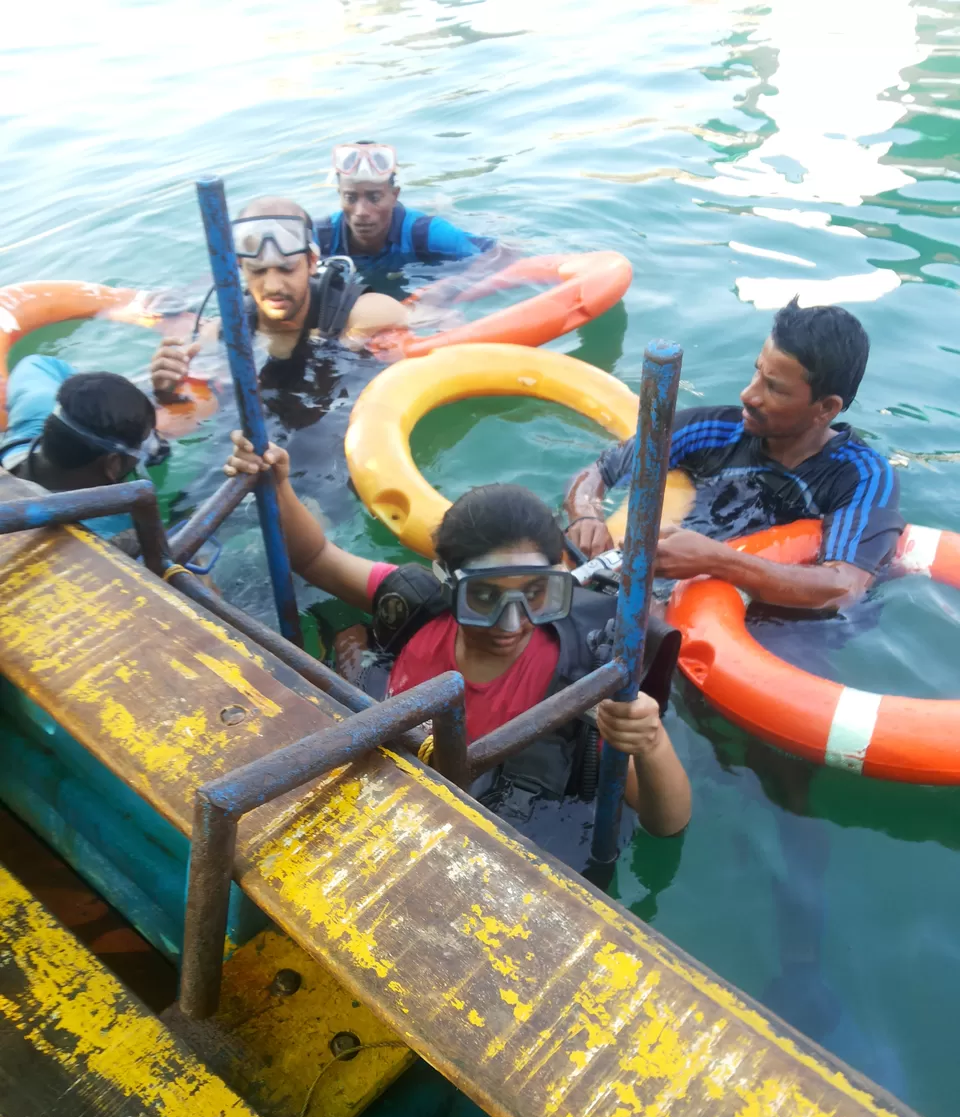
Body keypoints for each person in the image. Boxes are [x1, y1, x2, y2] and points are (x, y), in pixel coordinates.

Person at [224, 431, 691, 855]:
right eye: (485, 597)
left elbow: (666, 824)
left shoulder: (584, 679)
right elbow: (316, 557)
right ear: (448, 584)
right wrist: (278, 484)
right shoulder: (418, 605)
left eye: (535, 594)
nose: (512, 622)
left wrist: (650, 743)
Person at [565, 299, 903, 610]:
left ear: (826, 408)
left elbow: (844, 588)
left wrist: (717, 561)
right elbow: (600, 472)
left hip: (760, 622)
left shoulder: (861, 476)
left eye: (774, 387)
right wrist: (586, 515)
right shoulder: (711, 429)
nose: (748, 394)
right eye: (757, 372)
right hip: (663, 593)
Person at [149, 196, 411, 412]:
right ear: (241, 268)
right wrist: (167, 392)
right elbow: (198, 416)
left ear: (310, 262)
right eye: (258, 271)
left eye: (286, 269)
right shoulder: (223, 334)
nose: (273, 286)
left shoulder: (367, 314)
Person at [0, 355, 162, 538]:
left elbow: (38, 363)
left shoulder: (35, 406)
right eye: (145, 442)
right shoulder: (114, 534)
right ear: (113, 464)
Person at [315, 142, 496, 270]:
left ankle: (442, 206)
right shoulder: (320, 237)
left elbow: (499, 254)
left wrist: (443, 292)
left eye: (374, 197)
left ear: (394, 196)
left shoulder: (426, 233)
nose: (361, 212)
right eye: (351, 198)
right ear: (339, 195)